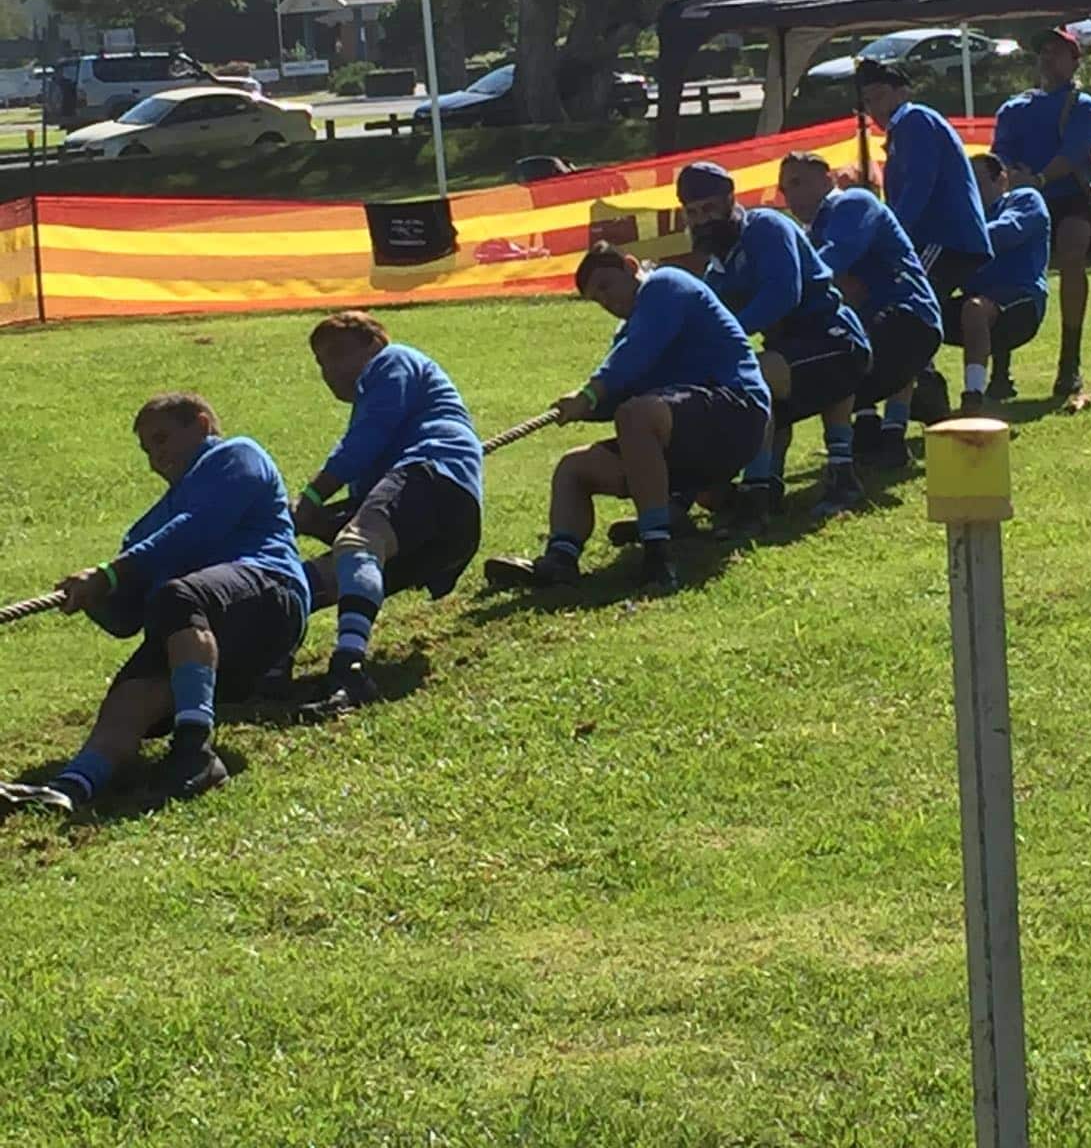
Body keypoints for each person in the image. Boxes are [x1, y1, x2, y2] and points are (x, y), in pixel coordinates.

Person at [0, 394, 309, 814]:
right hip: (197, 629)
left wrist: (110, 574)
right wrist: (94, 597)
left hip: (270, 597)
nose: (155, 457)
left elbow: (196, 529)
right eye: (147, 450)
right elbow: (127, 618)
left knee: (179, 596)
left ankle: (195, 752)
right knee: (127, 695)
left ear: (201, 425)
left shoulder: (237, 455)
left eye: (162, 439)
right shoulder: (148, 525)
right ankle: (71, 788)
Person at [484, 243, 770, 594]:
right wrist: (580, 407)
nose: (606, 301)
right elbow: (617, 390)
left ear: (631, 266)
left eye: (606, 285)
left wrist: (589, 394)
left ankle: (657, 556)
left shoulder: (667, 284)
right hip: (683, 436)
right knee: (574, 469)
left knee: (635, 416)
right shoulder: (628, 332)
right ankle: (560, 560)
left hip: (737, 414)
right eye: (596, 298)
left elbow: (633, 358)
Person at [290, 311, 483, 722]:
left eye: (338, 353)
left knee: (358, 543)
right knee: (316, 577)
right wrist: (314, 519)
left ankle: (349, 669)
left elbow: (365, 440)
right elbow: (371, 492)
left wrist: (311, 498)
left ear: (374, 343)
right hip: (445, 523)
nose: (329, 370)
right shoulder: (383, 396)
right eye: (321, 363)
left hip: (432, 476)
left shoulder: (392, 361)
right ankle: (266, 657)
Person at [674, 160, 873, 519]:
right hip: (789, 349)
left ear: (730, 200)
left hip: (836, 341)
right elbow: (705, 316)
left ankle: (760, 494)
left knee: (756, 378)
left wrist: (726, 337)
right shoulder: (718, 264)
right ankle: (692, 499)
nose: (702, 220)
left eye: (709, 208)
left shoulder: (766, 226)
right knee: (730, 386)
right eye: (693, 212)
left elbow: (782, 294)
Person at [778, 151, 942, 470]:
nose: (791, 196)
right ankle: (868, 433)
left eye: (798, 183)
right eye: (785, 189)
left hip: (910, 314)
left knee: (856, 347)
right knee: (839, 346)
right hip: (876, 318)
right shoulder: (812, 232)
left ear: (826, 178)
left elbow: (835, 258)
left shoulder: (853, 202)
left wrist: (788, 286)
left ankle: (891, 435)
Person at [857, 59, 992, 422]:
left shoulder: (914, 120)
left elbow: (920, 183)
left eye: (880, 96)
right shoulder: (901, 132)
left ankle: (926, 394)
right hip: (934, 236)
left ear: (902, 92)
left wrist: (891, 234)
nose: (874, 108)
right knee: (911, 308)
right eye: (867, 101)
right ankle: (925, 392)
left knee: (910, 303)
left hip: (944, 236)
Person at [991, 27, 1091, 398]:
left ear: (1075, 61)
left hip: (1070, 198)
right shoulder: (1013, 109)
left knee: (1072, 254)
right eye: (1044, 51)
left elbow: (1073, 154)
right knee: (1002, 267)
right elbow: (999, 154)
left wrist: (1038, 178)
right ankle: (999, 370)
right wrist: (1012, 177)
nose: (1048, 57)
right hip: (1022, 200)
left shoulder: (1085, 107)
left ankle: (1069, 363)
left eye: (1057, 51)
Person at [944, 154, 1051, 413]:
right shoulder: (963, 218)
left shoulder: (1025, 199)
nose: (972, 190)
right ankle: (924, 393)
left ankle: (973, 396)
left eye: (978, 182)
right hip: (978, 305)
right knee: (919, 313)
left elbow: (1008, 231)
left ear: (1001, 180)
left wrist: (961, 237)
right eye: (967, 183)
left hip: (1022, 303)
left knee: (974, 309)